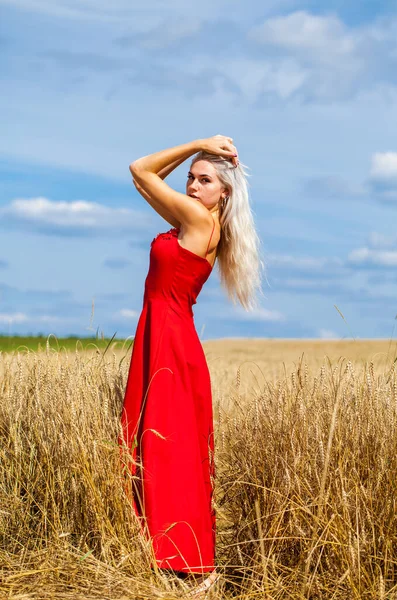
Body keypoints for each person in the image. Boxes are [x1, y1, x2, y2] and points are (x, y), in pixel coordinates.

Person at [119, 135, 265, 597]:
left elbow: (140, 168)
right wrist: (199, 158)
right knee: (170, 447)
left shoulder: (198, 218)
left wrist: (199, 141)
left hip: (169, 340)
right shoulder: (197, 218)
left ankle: (181, 560)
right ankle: (173, 557)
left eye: (205, 179)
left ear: (223, 192)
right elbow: (147, 184)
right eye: (191, 177)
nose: (193, 184)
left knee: (166, 448)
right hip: (167, 336)